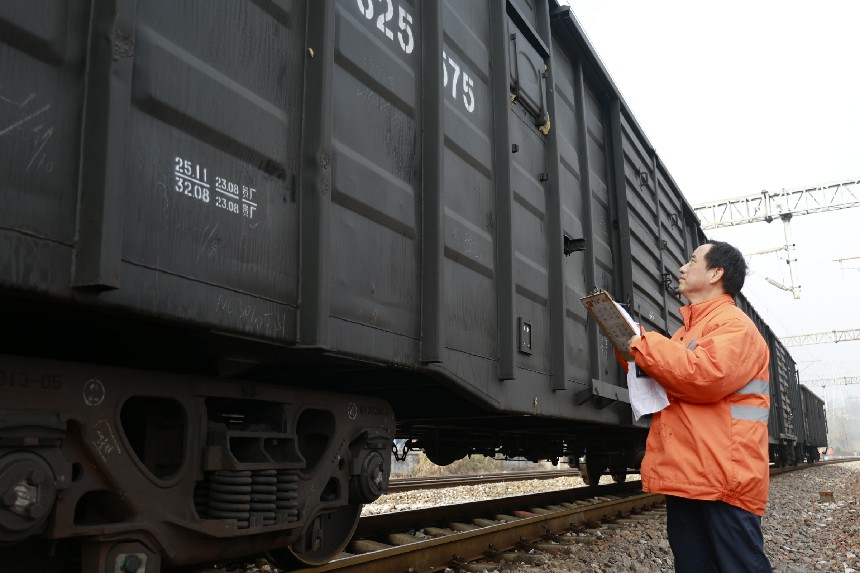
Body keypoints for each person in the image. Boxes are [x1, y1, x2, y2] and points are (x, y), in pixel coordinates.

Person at [626, 240, 773, 573]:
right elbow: (671, 381)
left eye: (692, 261)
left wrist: (647, 346)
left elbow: (704, 377)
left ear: (715, 273)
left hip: (723, 478)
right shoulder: (685, 333)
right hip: (690, 473)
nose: (682, 267)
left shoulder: (734, 326)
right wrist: (634, 353)